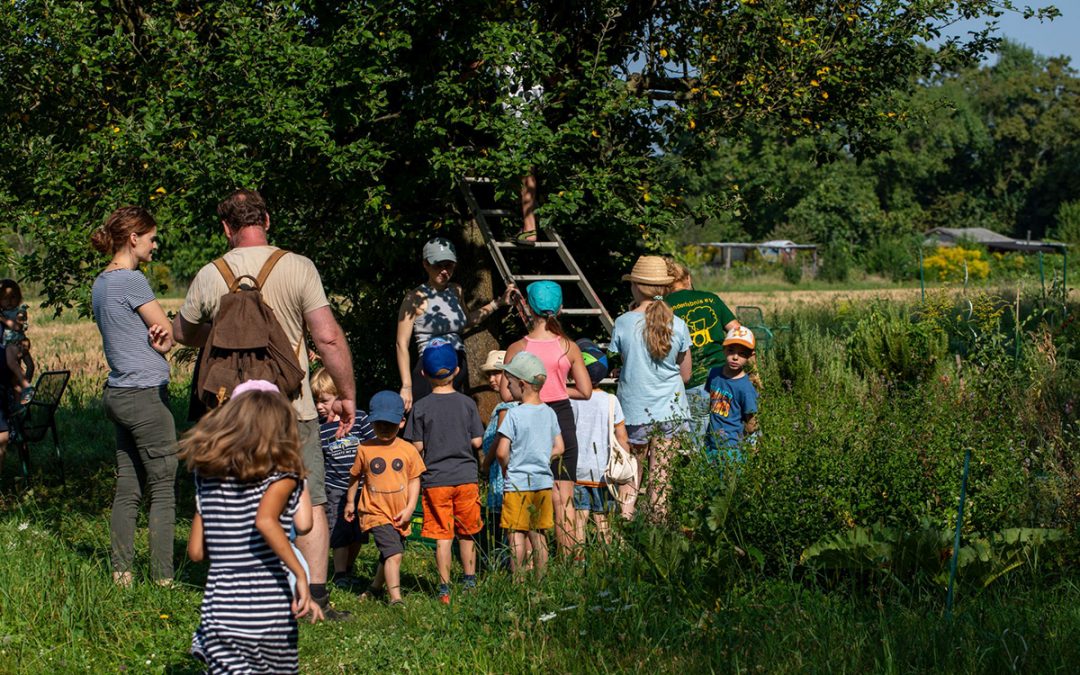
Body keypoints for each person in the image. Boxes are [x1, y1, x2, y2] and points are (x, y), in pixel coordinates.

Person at [173, 188, 357, 619]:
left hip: (229, 413)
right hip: (292, 407)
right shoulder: (297, 267)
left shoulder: (210, 274)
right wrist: (347, 395)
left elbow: (183, 333)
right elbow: (327, 337)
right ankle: (314, 597)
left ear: (226, 228)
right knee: (309, 498)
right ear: (267, 221)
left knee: (233, 494)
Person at [183, 382, 316, 673]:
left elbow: (195, 552)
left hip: (220, 611)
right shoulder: (283, 478)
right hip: (267, 610)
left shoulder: (207, 479)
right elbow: (267, 521)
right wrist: (299, 573)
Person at [89, 206, 178, 586]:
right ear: (133, 238)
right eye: (152, 238)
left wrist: (156, 341)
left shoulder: (101, 283)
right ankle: (163, 578)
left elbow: (142, 337)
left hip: (119, 392)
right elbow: (168, 334)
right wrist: (164, 340)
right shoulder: (132, 280)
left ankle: (121, 573)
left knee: (128, 488)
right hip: (145, 396)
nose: (155, 245)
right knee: (163, 487)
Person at [499, 280, 592, 556]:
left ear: (528, 308)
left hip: (528, 417)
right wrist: (558, 388)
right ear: (560, 308)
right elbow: (586, 391)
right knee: (563, 497)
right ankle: (571, 563)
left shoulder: (518, 347)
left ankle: (526, 564)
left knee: (527, 491)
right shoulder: (568, 346)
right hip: (560, 416)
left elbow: (506, 393)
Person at [609, 256, 692, 521]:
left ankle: (624, 525)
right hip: (671, 410)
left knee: (632, 473)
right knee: (661, 477)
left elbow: (623, 361)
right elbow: (686, 375)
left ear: (636, 286)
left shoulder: (623, 322)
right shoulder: (678, 324)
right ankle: (658, 527)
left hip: (635, 409)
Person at [403, 340, 484, 604]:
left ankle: (444, 589)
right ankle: (470, 581)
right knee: (467, 531)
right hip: (466, 478)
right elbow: (477, 442)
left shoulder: (421, 407)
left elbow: (416, 446)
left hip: (436, 480)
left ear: (423, 374)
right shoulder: (468, 404)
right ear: (457, 370)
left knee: (442, 535)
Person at [395, 237, 517, 410]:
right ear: (426, 264)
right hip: (431, 367)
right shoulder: (414, 298)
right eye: (438, 265)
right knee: (427, 417)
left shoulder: (456, 290)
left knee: (454, 417)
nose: (444, 271)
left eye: (449, 265)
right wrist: (406, 386)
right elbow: (401, 344)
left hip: (458, 365)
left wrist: (498, 303)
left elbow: (467, 321)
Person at [344, 391, 425, 605]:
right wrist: (350, 502)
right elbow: (355, 476)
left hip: (399, 513)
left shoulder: (408, 450)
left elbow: (414, 480)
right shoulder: (365, 448)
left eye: (389, 424)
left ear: (401, 422)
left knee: (388, 554)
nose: (384, 428)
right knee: (394, 554)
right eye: (379, 423)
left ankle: (373, 589)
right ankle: (396, 598)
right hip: (374, 511)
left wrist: (410, 508)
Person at [494, 351, 564, 577]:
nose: (508, 387)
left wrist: (507, 467)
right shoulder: (549, 413)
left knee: (515, 534)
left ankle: (519, 581)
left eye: (510, 382)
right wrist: (543, 458)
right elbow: (559, 447)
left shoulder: (514, 415)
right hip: (542, 483)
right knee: (538, 534)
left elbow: (501, 452)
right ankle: (541, 582)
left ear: (522, 384)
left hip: (517, 483)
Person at [311, 368, 374, 591]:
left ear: (339, 396)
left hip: (362, 488)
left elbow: (373, 446)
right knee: (339, 532)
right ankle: (339, 574)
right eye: (316, 401)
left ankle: (348, 568)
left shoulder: (360, 419)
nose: (319, 406)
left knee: (358, 533)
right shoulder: (320, 429)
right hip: (335, 488)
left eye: (324, 400)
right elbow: (318, 459)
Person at [664, 260, 740, 439]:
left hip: (692, 383)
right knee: (723, 432)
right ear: (688, 278)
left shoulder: (662, 307)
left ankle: (701, 457)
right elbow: (737, 331)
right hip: (721, 380)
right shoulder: (710, 298)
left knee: (698, 439)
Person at [571, 340, 630, 547]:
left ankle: (577, 557)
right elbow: (622, 437)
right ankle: (606, 556)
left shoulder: (571, 400)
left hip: (576, 469)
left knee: (579, 517)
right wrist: (626, 459)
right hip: (603, 470)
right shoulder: (611, 400)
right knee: (602, 516)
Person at [477, 349, 523, 565]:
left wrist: (486, 464)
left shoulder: (506, 407)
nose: (492, 379)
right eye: (489, 375)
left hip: (500, 472)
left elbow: (500, 439)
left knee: (503, 521)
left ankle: (503, 561)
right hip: (510, 471)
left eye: (496, 373)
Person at [705, 326, 760, 461]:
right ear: (723, 350)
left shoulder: (745, 387)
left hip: (732, 449)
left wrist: (746, 444)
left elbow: (752, 423)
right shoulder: (714, 373)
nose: (735, 357)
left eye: (742, 354)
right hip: (710, 443)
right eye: (731, 351)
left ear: (750, 356)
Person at [0, 279, 35, 405]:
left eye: (13, 297)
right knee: (18, 374)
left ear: (19, 298)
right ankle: (23, 395)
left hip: (14, 344)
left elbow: (18, 326)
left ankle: (27, 387)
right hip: (11, 347)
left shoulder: (18, 312)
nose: (9, 301)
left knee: (24, 366)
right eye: (5, 298)